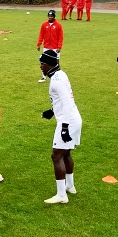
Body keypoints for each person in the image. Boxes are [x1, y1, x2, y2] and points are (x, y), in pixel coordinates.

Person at [39, 50, 82, 203]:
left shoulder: (56, 80)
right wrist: (52, 111)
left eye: (43, 63)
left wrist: (64, 127)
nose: (40, 67)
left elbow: (67, 103)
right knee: (66, 154)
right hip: (73, 118)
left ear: (50, 63)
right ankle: (70, 186)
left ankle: (61, 195)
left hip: (68, 121)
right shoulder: (60, 74)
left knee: (56, 156)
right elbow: (64, 101)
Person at [36, 10, 64, 83]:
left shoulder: (58, 25)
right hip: (46, 47)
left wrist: (59, 47)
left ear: (54, 17)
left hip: (55, 47)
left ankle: (59, 77)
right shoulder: (44, 25)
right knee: (43, 62)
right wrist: (39, 44)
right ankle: (43, 77)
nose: (50, 17)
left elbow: (60, 37)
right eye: (49, 16)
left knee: (56, 62)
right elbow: (41, 35)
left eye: (51, 16)